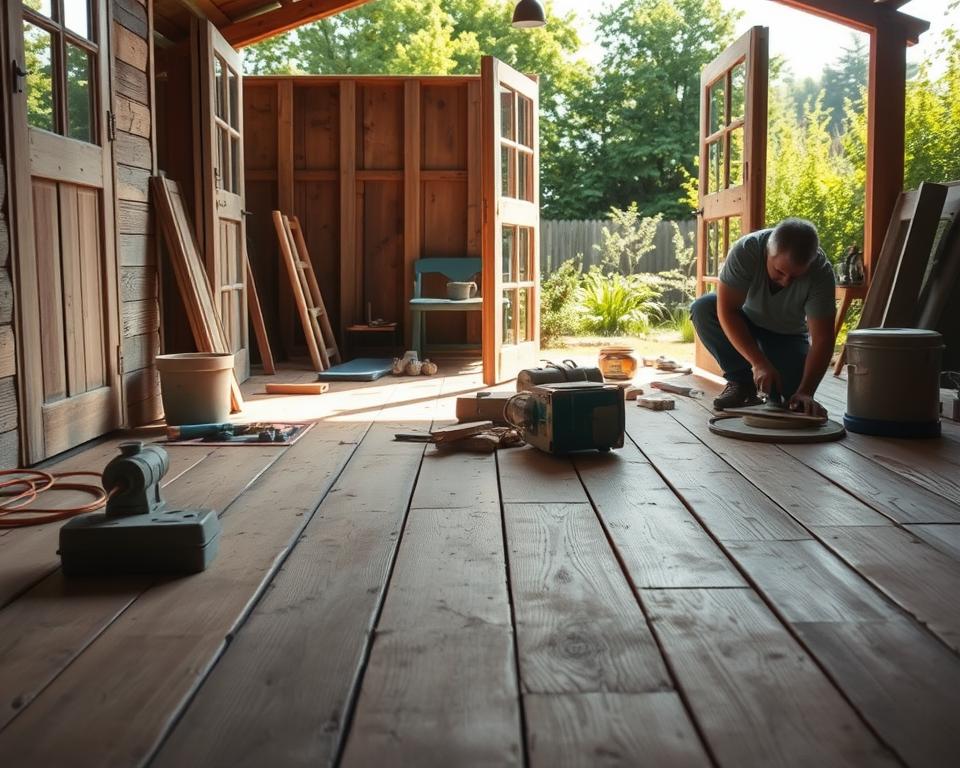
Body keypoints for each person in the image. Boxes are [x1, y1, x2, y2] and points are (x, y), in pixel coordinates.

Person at [690, 218, 836, 416]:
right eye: (779, 271)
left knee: (789, 398)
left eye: (795, 277)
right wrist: (758, 363)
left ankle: (783, 386)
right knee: (703, 308)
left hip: (788, 336)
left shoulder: (821, 273)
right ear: (768, 252)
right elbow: (727, 310)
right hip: (746, 322)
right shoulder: (746, 249)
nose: (786, 282)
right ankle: (741, 383)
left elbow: (823, 339)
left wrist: (806, 391)